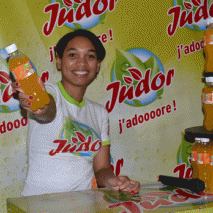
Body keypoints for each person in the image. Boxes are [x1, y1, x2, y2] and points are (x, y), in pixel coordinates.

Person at [12, 29, 140, 196]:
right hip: (40, 205)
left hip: (86, 204)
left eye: (90, 56)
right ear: (59, 62)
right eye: (73, 55)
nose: (82, 63)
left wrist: (114, 181)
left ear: (98, 67)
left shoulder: (99, 112)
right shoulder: (50, 93)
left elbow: (102, 169)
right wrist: (39, 105)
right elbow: (47, 110)